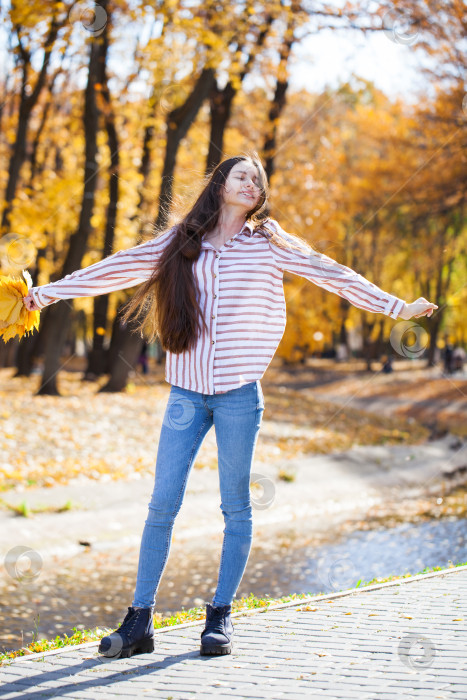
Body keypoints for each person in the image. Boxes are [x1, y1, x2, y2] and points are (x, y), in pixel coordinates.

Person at [23, 152, 438, 659]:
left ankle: (219, 616)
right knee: (162, 505)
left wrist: (396, 307)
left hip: (240, 394)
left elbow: (330, 272)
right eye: (242, 175)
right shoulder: (181, 242)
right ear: (220, 183)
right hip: (185, 394)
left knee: (235, 507)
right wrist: (46, 294)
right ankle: (139, 621)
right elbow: (120, 266)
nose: (251, 183)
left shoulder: (269, 241)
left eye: (258, 180)